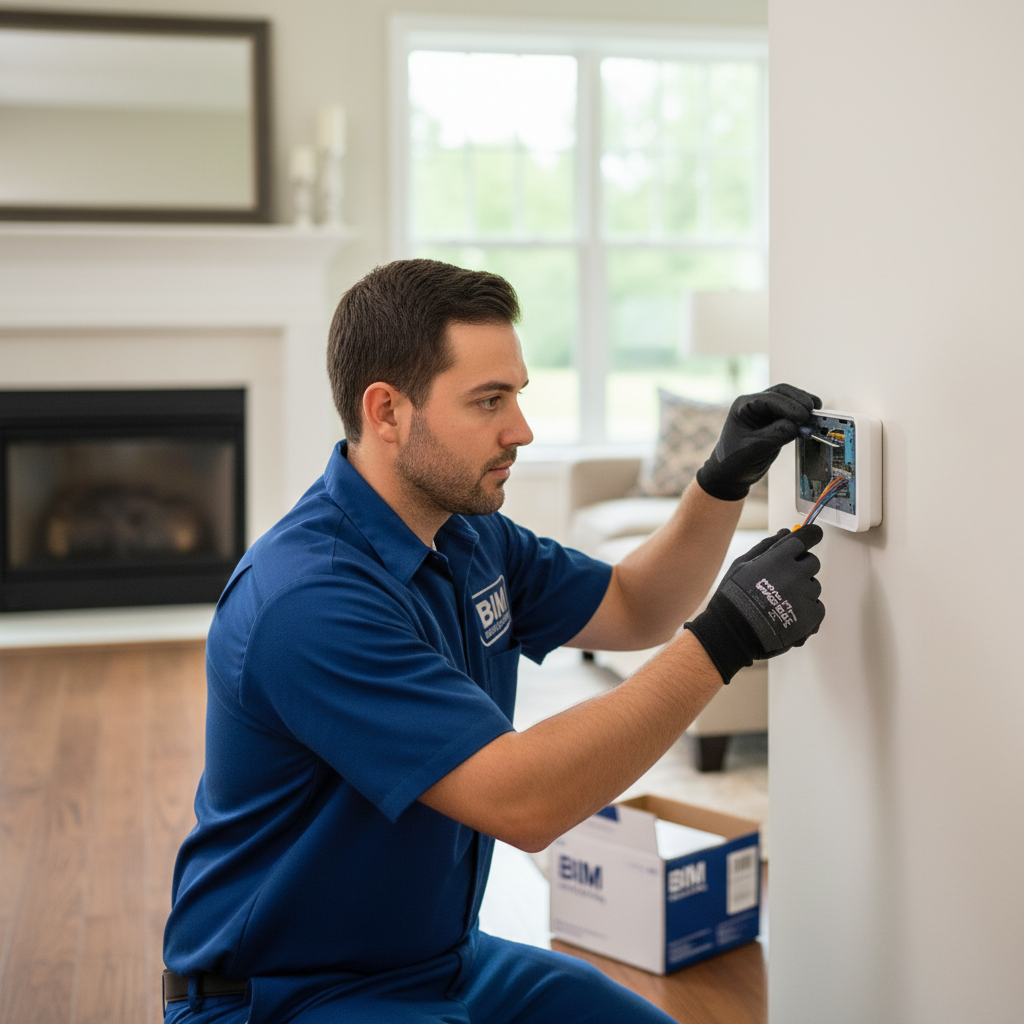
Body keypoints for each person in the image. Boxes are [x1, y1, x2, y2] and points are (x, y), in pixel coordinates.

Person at [162, 259, 825, 1023]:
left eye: (517, 395)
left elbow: (635, 606)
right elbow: (525, 800)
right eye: (489, 401)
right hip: (287, 997)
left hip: (443, 963)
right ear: (386, 412)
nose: (522, 430)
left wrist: (722, 479)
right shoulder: (308, 600)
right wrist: (728, 635)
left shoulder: (470, 533)